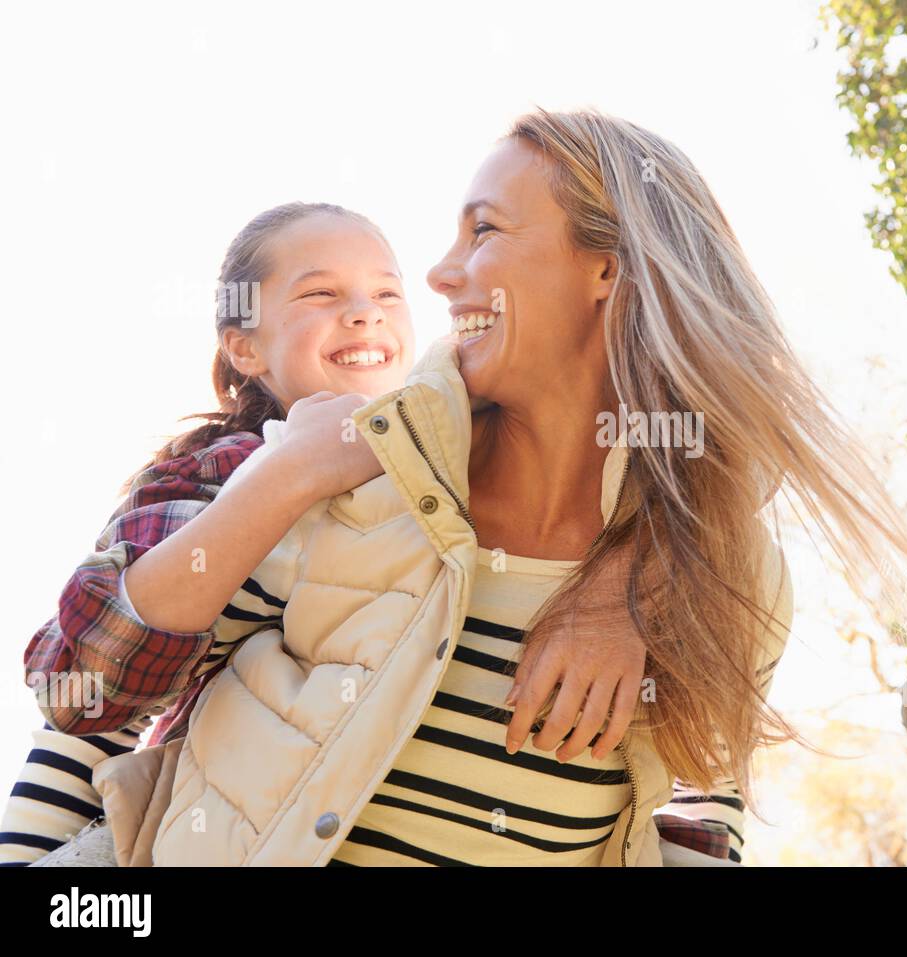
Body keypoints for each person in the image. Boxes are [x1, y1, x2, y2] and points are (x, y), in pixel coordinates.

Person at [3, 200, 650, 865]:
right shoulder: (219, 474)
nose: (365, 311)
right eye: (320, 293)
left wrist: (620, 577)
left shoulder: (442, 464)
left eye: (386, 293)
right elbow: (83, 706)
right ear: (244, 346)